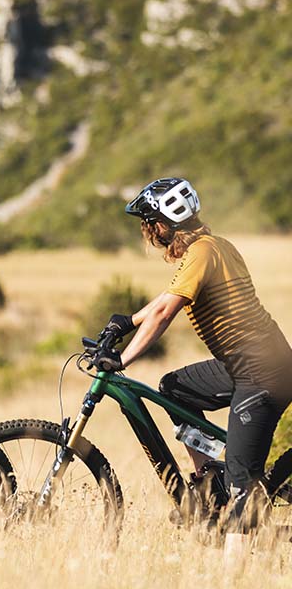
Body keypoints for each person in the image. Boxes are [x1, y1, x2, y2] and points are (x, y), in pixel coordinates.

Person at [103, 177, 292, 558]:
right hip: (246, 365)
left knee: (242, 477)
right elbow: (165, 300)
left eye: (148, 223)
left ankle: (230, 586)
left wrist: (123, 359)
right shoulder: (212, 247)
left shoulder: (203, 252)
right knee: (176, 389)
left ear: (163, 224)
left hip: (263, 373)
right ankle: (209, 483)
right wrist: (128, 321)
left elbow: (166, 312)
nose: (148, 233)